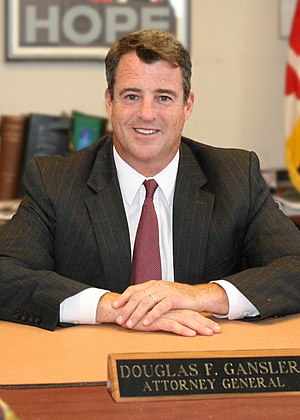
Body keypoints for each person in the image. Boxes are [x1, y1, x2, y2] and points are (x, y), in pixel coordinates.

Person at [1, 30, 300, 337]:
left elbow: (296, 265)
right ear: (109, 101)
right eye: (131, 96)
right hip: (92, 363)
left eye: (164, 98)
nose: (146, 114)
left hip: (202, 359)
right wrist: (114, 308)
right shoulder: (55, 181)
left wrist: (197, 296)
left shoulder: (235, 176)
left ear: (187, 105)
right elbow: (5, 275)